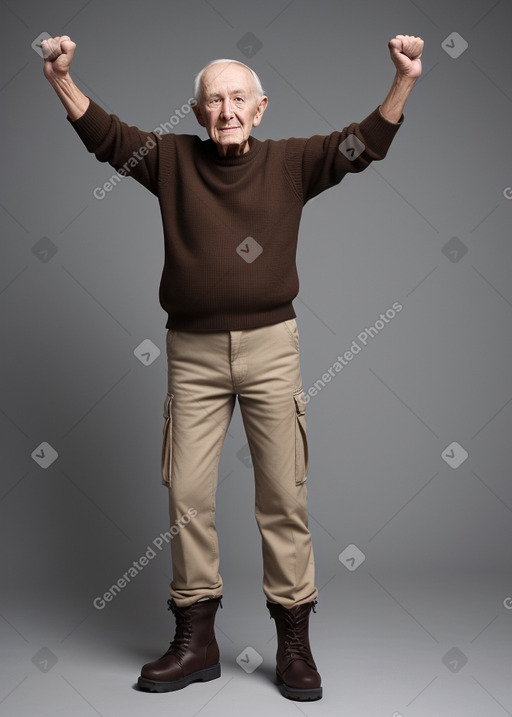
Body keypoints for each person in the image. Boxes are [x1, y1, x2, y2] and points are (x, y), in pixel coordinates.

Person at [42, 33, 423, 702]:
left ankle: (294, 644)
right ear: (195, 113)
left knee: (283, 495)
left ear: (261, 107)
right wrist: (62, 79)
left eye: (238, 99)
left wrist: (405, 79)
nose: (226, 111)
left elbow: (364, 145)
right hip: (191, 355)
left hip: (271, 348)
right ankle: (197, 641)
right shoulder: (168, 160)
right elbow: (105, 136)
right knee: (186, 496)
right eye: (214, 100)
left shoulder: (292, 163)